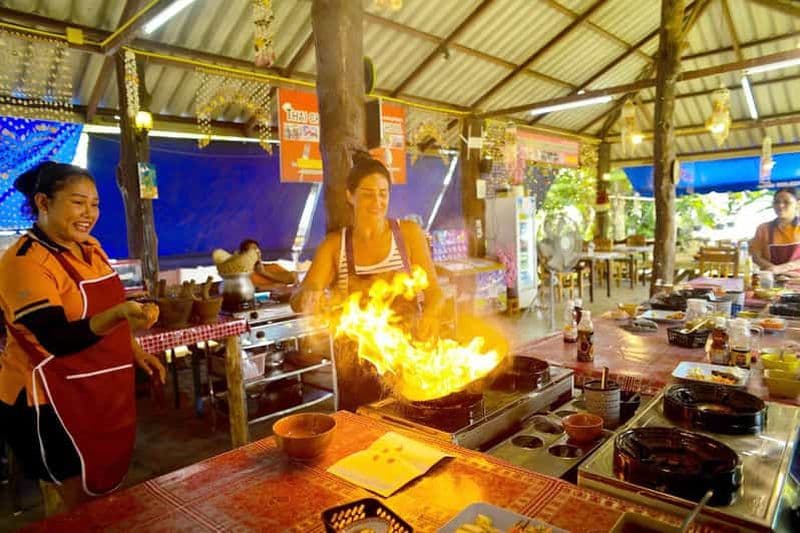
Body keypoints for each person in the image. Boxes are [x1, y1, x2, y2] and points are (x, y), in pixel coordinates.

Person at [0, 161, 166, 514]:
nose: (89, 214)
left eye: (94, 204)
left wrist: (134, 349)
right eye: (78, 202)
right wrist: (121, 313)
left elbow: (108, 310)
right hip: (46, 400)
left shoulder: (90, 247)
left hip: (98, 390)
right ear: (43, 203)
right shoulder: (23, 262)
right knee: (74, 505)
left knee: (102, 490)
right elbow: (57, 339)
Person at [291, 153, 443, 410]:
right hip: (357, 368)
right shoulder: (334, 246)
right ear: (350, 196)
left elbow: (435, 293)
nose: (377, 201)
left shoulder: (408, 235)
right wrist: (310, 294)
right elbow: (300, 298)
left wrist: (430, 315)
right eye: (368, 193)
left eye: (383, 193)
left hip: (408, 356)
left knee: (416, 430)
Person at [751, 187, 800, 276]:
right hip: (770, 279)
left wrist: (781, 269)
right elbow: (756, 257)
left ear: (797, 204)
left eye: (786, 202)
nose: (780, 205)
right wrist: (776, 271)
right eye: (777, 202)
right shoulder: (763, 228)